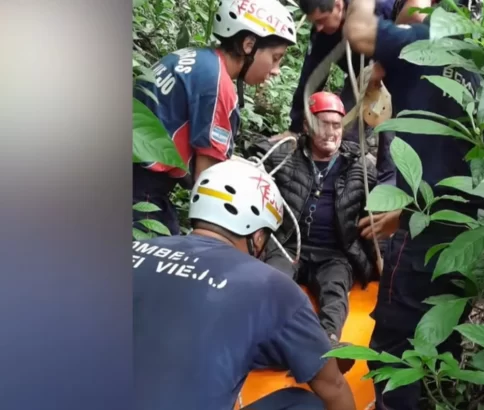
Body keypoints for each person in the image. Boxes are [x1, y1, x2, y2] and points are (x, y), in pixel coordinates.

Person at [343, 1, 484, 409]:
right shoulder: (474, 56)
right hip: (467, 228)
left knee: (394, 345)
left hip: (424, 231)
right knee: (442, 337)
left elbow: (358, 29)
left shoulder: (420, 42)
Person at [133, 159, 356, 410]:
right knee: (307, 404)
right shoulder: (272, 286)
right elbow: (333, 386)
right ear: (258, 235)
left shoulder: (131, 250)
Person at [133, 0, 297, 236]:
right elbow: (207, 179)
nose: (276, 70)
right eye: (275, 57)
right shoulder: (218, 85)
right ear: (249, 45)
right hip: (143, 190)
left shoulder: (193, 57)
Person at [247, 91, 379, 374]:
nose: (331, 132)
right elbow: (252, 160)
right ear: (307, 125)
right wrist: (281, 140)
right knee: (275, 284)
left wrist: (378, 261)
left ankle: (326, 345)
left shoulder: (360, 167)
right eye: (323, 124)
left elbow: (380, 205)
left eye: (336, 125)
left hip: (334, 252)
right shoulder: (287, 154)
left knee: (335, 290)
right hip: (287, 245)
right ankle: (265, 344)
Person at [269, 0, 397, 187]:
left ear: (338, 6)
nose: (319, 27)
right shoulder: (322, 33)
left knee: (390, 131)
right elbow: (312, 75)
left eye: (322, 20)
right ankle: (342, 187)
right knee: (341, 130)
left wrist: (383, 66)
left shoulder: (381, 10)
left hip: (393, 74)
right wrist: (295, 128)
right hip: (359, 78)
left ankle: (387, 189)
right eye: (315, 23)